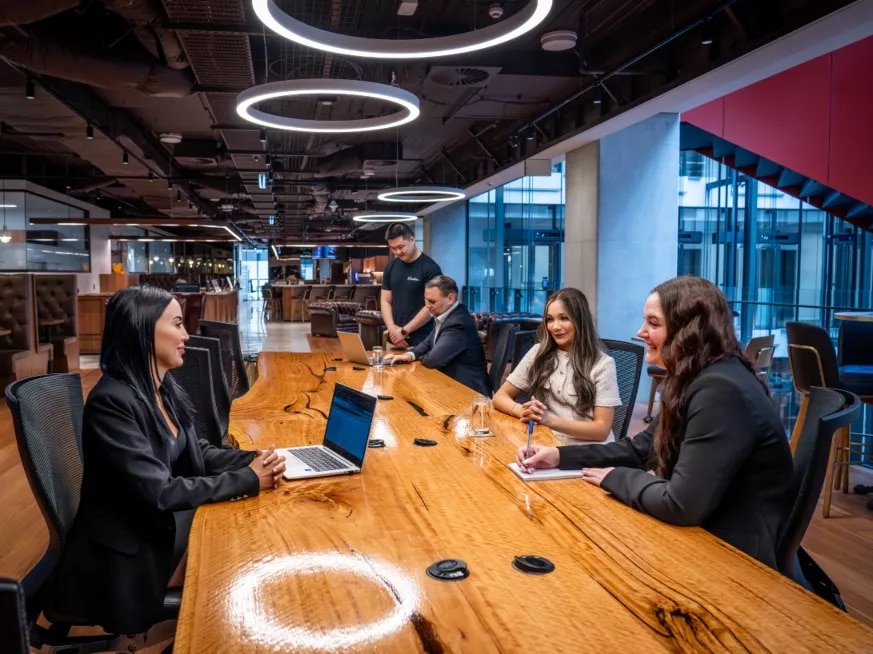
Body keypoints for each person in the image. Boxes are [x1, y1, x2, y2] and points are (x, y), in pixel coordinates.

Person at [50, 286, 286, 633]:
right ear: (143, 329)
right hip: (128, 558)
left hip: (156, 528)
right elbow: (159, 493)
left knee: (249, 536)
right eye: (177, 324)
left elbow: (196, 452)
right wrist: (248, 479)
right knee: (242, 561)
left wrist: (253, 460)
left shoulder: (160, 387)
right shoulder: (111, 403)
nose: (186, 334)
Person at [516, 276, 794, 569]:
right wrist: (559, 456)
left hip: (735, 559)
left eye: (653, 324)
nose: (640, 332)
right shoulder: (700, 376)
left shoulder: (720, 390)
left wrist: (615, 477)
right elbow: (641, 448)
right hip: (708, 532)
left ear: (688, 330)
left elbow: (681, 505)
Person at [493, 288, 621, 444]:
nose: (555, 327)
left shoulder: (603, 364)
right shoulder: (538, 353)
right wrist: (525, 412)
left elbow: (601, 430)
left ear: (580, 320)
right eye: (549, 319)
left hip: (588, 451)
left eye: (564, 318)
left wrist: (548, 420)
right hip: (546, 442)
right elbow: (500, 397)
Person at [385, 275, 490, 396]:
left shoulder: (457, 323)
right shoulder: (445, 313)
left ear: (450, 298)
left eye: (432, 301)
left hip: (469, 392)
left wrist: (422, 357)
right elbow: (429, 342)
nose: (427, 306)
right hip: (450, 383)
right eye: (426, 300)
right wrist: (409, 355)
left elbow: (432, 360)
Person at [381, 222, 442, 349]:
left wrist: (404, 331)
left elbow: (431, 306)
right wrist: (393, 330)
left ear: (412, 240)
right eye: (393, 248)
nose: (397, 252)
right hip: (394, 339)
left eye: (401, 247)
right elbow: (385, 300)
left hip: (422, 341)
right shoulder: (391, 267)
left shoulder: (430, 268)